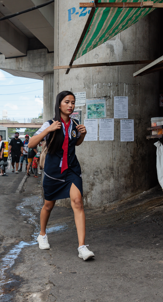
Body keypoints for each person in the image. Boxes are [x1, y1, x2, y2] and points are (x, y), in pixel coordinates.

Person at [29, 91, 94, 261]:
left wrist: (83, 135)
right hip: (53, 172)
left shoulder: (75, 123)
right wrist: (48, 130)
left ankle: (82, 247)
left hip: (71, 170)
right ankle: (42, 234)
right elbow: (31, 143)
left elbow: (76, 143)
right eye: (67, 102)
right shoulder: (50, 123)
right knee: (48, 206)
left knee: (78, 202)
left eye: (73, 102)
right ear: (59, 105)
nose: (71, 106)